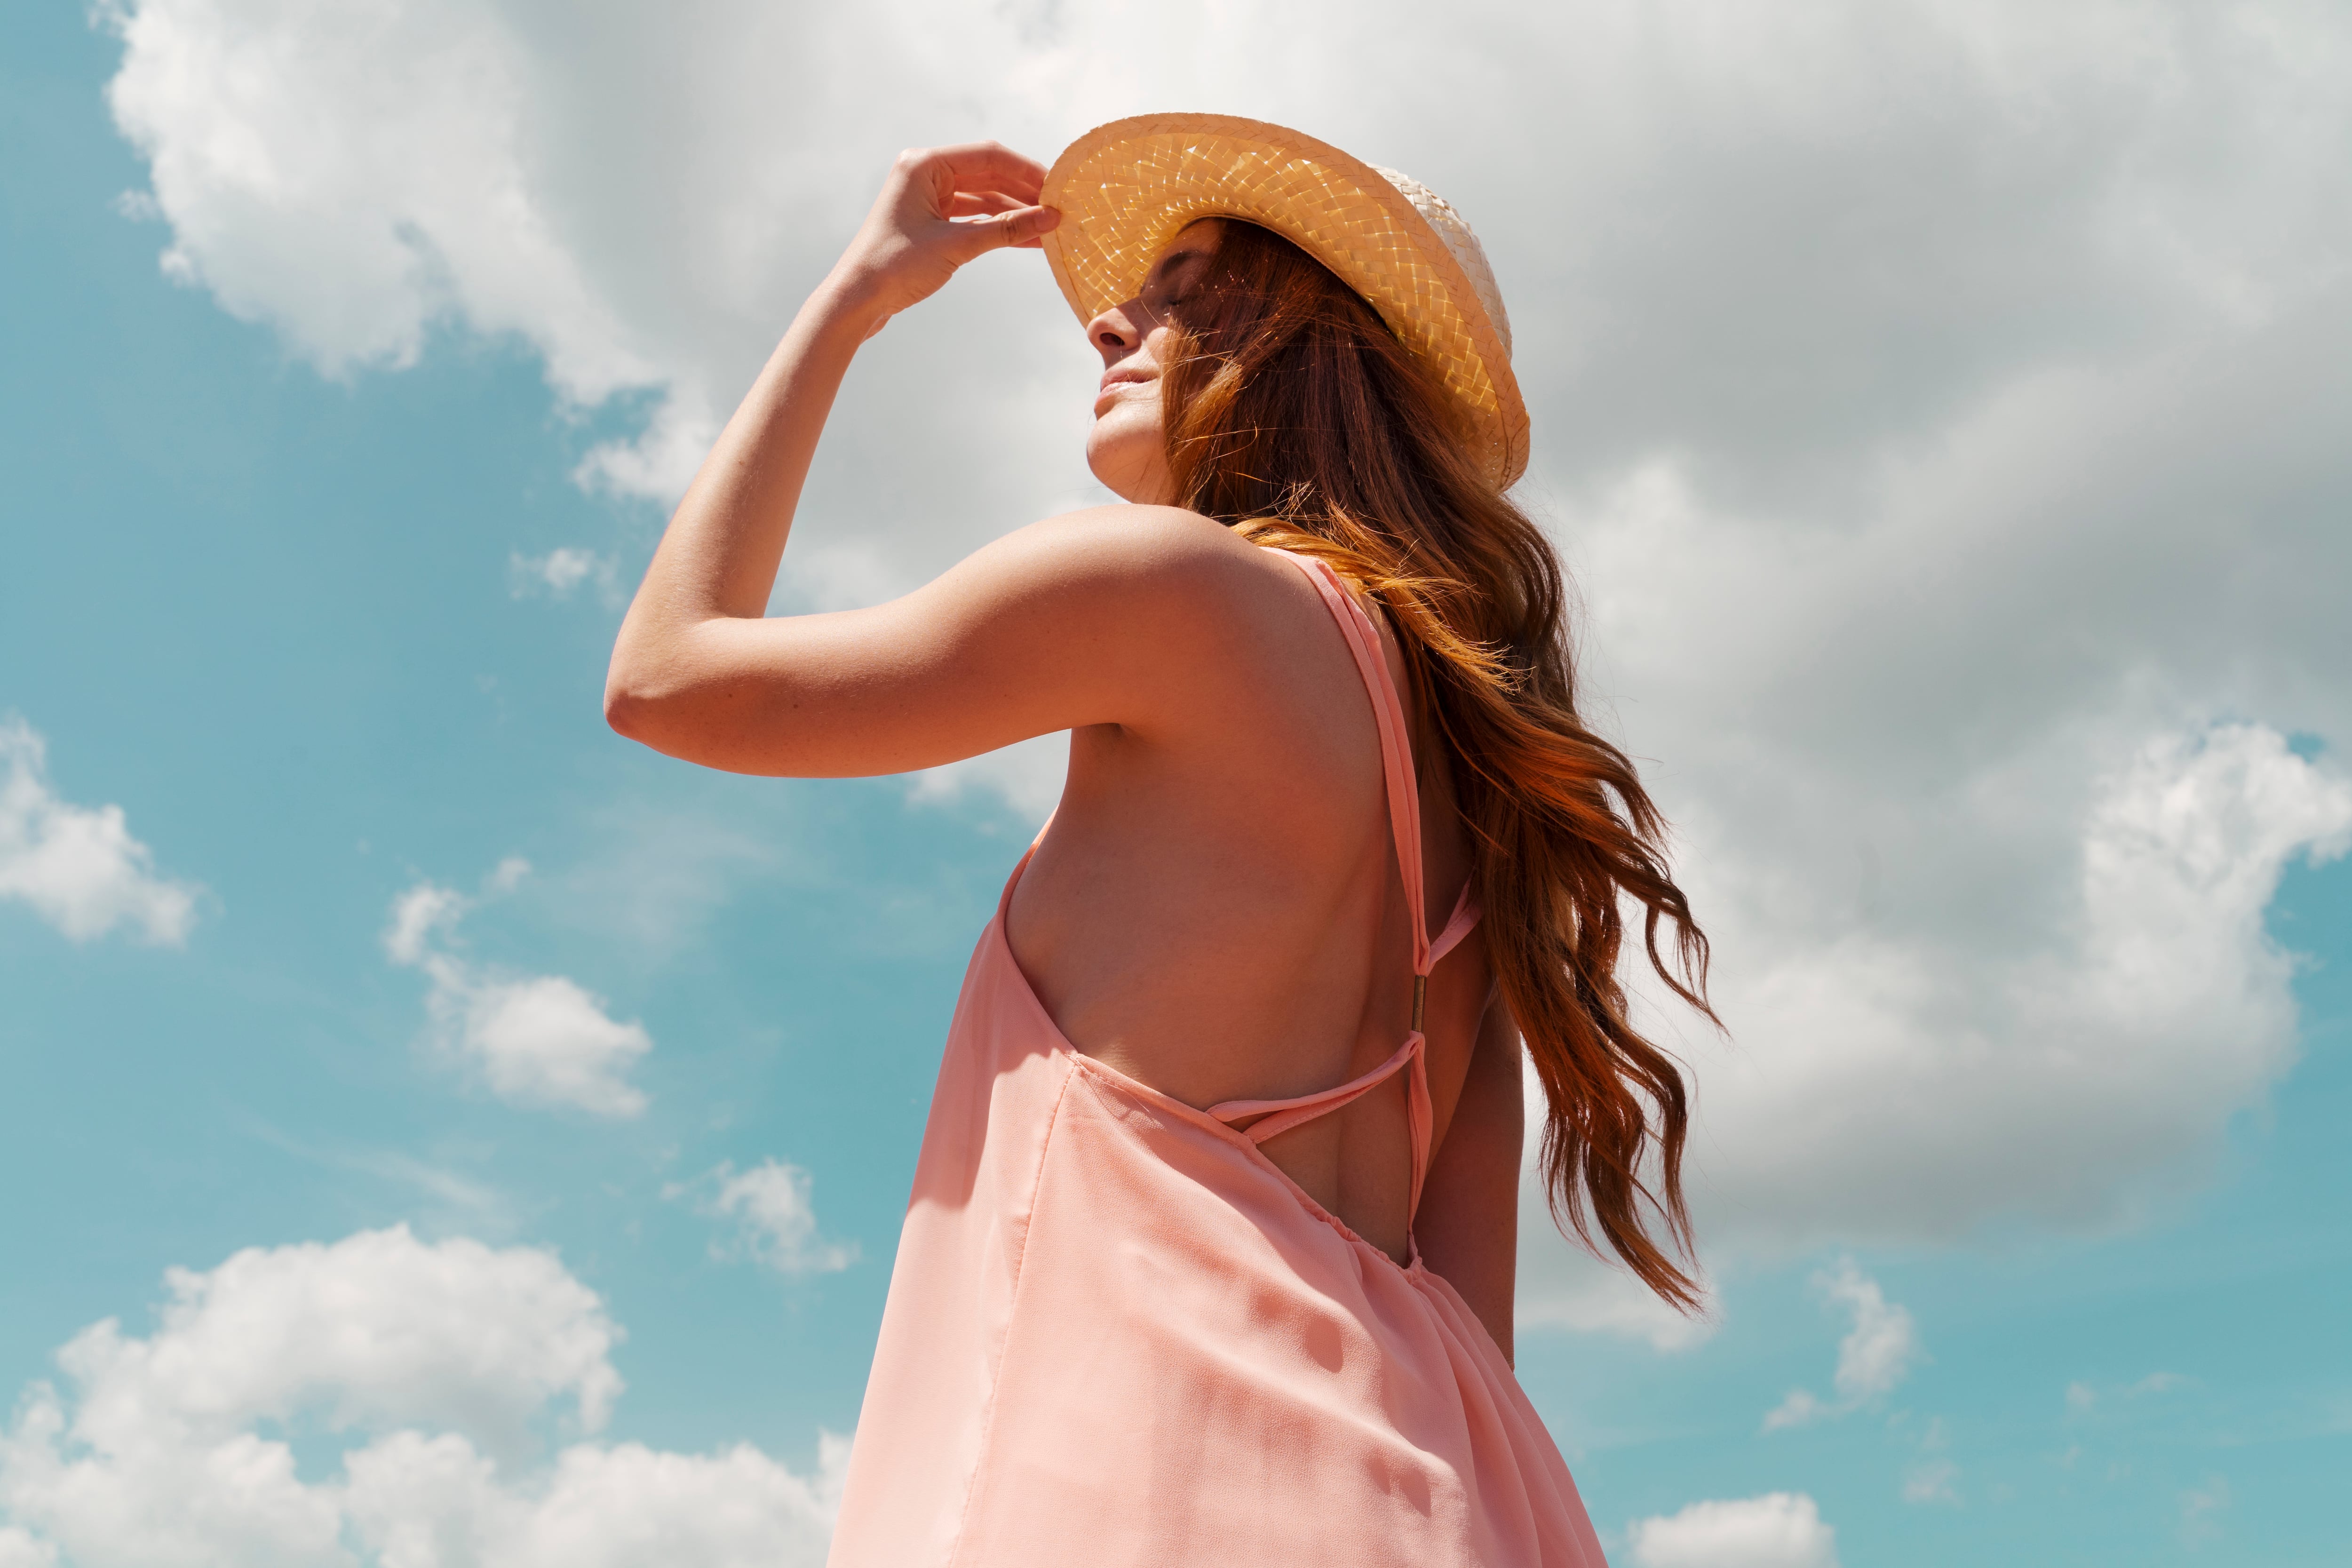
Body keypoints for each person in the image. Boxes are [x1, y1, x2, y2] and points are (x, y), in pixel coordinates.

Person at [606, 114, 1712, 1567]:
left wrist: (849, 307)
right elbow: (1471, 1321)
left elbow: (666, 679)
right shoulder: (1485, 814)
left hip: (1132, 1490)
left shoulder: (1161, 585)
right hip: (1447, 1499)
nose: (1114, 320)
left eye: (1190, 292)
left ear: (1315, 353)